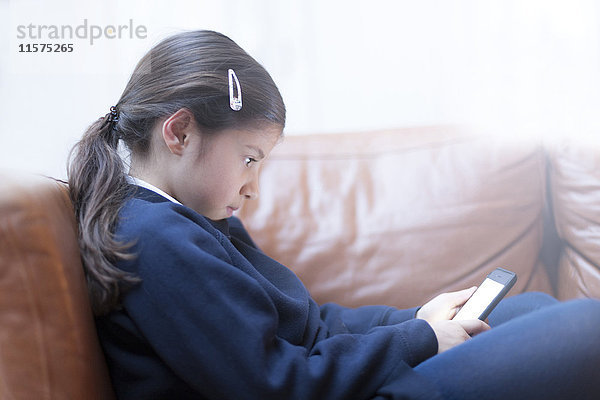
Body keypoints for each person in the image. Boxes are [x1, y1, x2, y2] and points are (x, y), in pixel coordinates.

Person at [67, 30, 600, 400]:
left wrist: (416, 319)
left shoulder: (195, 223)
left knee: (528, 307)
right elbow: (273, 385)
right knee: (585, 325)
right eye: (249, 159)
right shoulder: (155, 239)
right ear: (179, 132)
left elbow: (312, 326)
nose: (253, 186)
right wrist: (422, 341)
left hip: (331, 383)